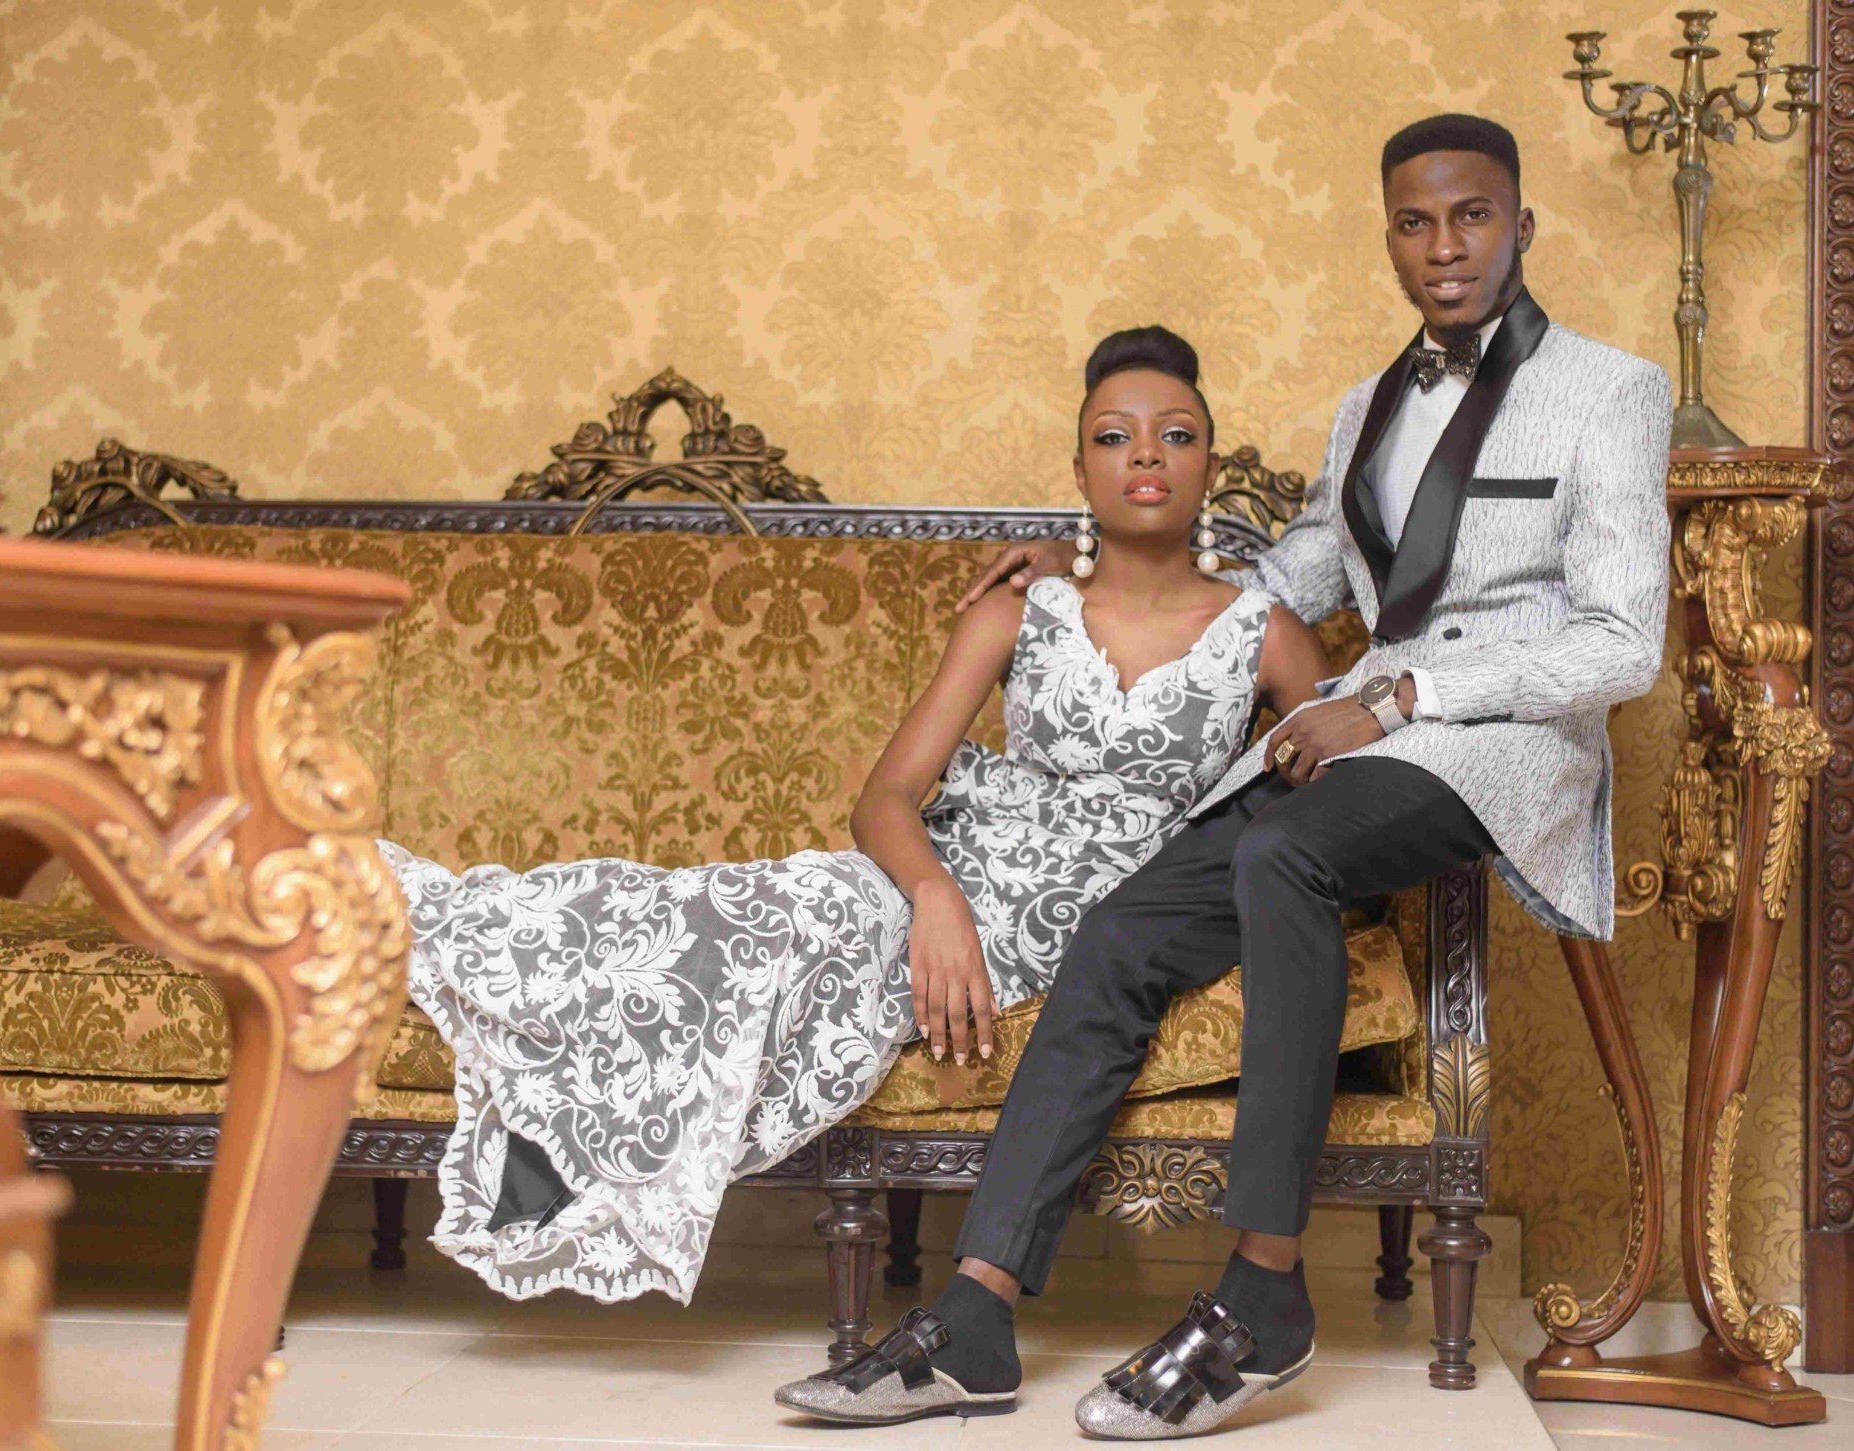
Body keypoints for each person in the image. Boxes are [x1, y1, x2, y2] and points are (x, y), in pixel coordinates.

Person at [777, 113, 1671, 1438]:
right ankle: (973, 1318)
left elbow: (1622, 641)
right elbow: (1293, 571)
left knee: (1281, 849)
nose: (1444, 245)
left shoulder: (1612, 388)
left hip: (1496, 739)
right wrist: (1089, 569)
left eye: (1472, 215)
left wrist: (1406, 695)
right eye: (1415, 222)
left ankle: (1261, 1294)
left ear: (1520, 225)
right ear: (1390, 240)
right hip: (1363, 727)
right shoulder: (1367, 406)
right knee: (1123, 924)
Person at [377, 327, 1329, 1313]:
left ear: (1208, 464)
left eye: (1175, 434)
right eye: (1113, 436)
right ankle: (420, 945)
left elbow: (1329, 811)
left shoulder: (1267, 637)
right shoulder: (1018, 611)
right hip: (934, 885)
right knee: (747, 916)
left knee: (775, 955)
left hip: (1096, 928)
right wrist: (935, 899)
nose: (1145, 454)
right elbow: (884, 796)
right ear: (1079, 470)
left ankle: (546, 1131)